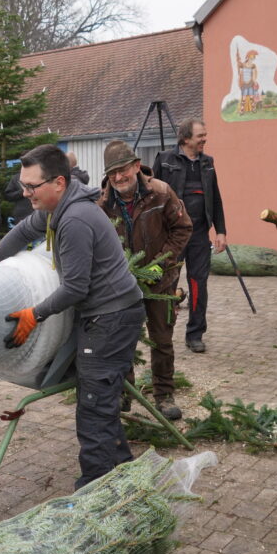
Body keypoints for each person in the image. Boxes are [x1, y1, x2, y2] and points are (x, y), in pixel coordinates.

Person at [0, 144, 144, 489]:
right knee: (98, 400)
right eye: (23, 185)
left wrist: (34, 315)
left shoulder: (75, 220)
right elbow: (24, 231)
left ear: (59, 183)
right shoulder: (56, 209)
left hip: (111, 318)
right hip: (106, 314)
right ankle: (124, 471)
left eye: (31, 186)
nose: (25, 193)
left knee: (94, 406)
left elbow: (75, 289)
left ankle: (95, 490)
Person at [98, 140, 193, 421]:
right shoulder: (102, 204)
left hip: (160, 282)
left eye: (123, 170)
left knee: (161, 339)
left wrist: (159, 264)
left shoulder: (160, 193)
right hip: (122, 286)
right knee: (122, 340)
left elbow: (183, 228)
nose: (118, 177)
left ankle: (164, 394)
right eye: (112, 173)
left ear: (137, 166)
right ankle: (125, 393)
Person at [152, 121, 226, 353]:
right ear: (185, 139)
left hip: (199, 235)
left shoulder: (207, 163)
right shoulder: (165, 160)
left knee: (198, 284)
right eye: (200, 135)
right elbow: (151, 196)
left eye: (205, 135)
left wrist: (221, 231)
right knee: (168, 284)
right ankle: (163, 333)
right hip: (172, 235)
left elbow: (215, 198)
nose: (204, 139)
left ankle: (195, 334)